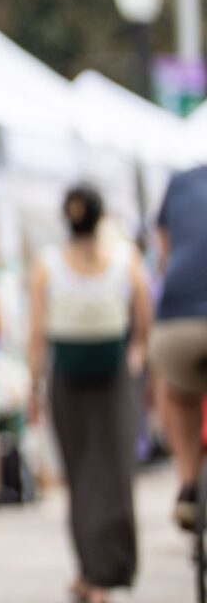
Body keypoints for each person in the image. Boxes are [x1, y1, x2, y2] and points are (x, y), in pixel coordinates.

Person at [25, 185, 149, 603]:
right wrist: (136, 358)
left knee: (84, 476)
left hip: (76, 379)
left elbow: (37, 336)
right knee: (107, 474)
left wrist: (33, 385)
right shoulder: (124, 259)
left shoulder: (49, 265)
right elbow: (143, 319)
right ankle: (101, 571)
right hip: (103, 377)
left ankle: (96, 572)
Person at [151, 162, 207, 530]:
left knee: (175, 393)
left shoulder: (180, 181)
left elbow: (164, 257)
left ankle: (188, 484)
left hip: (177, 323)